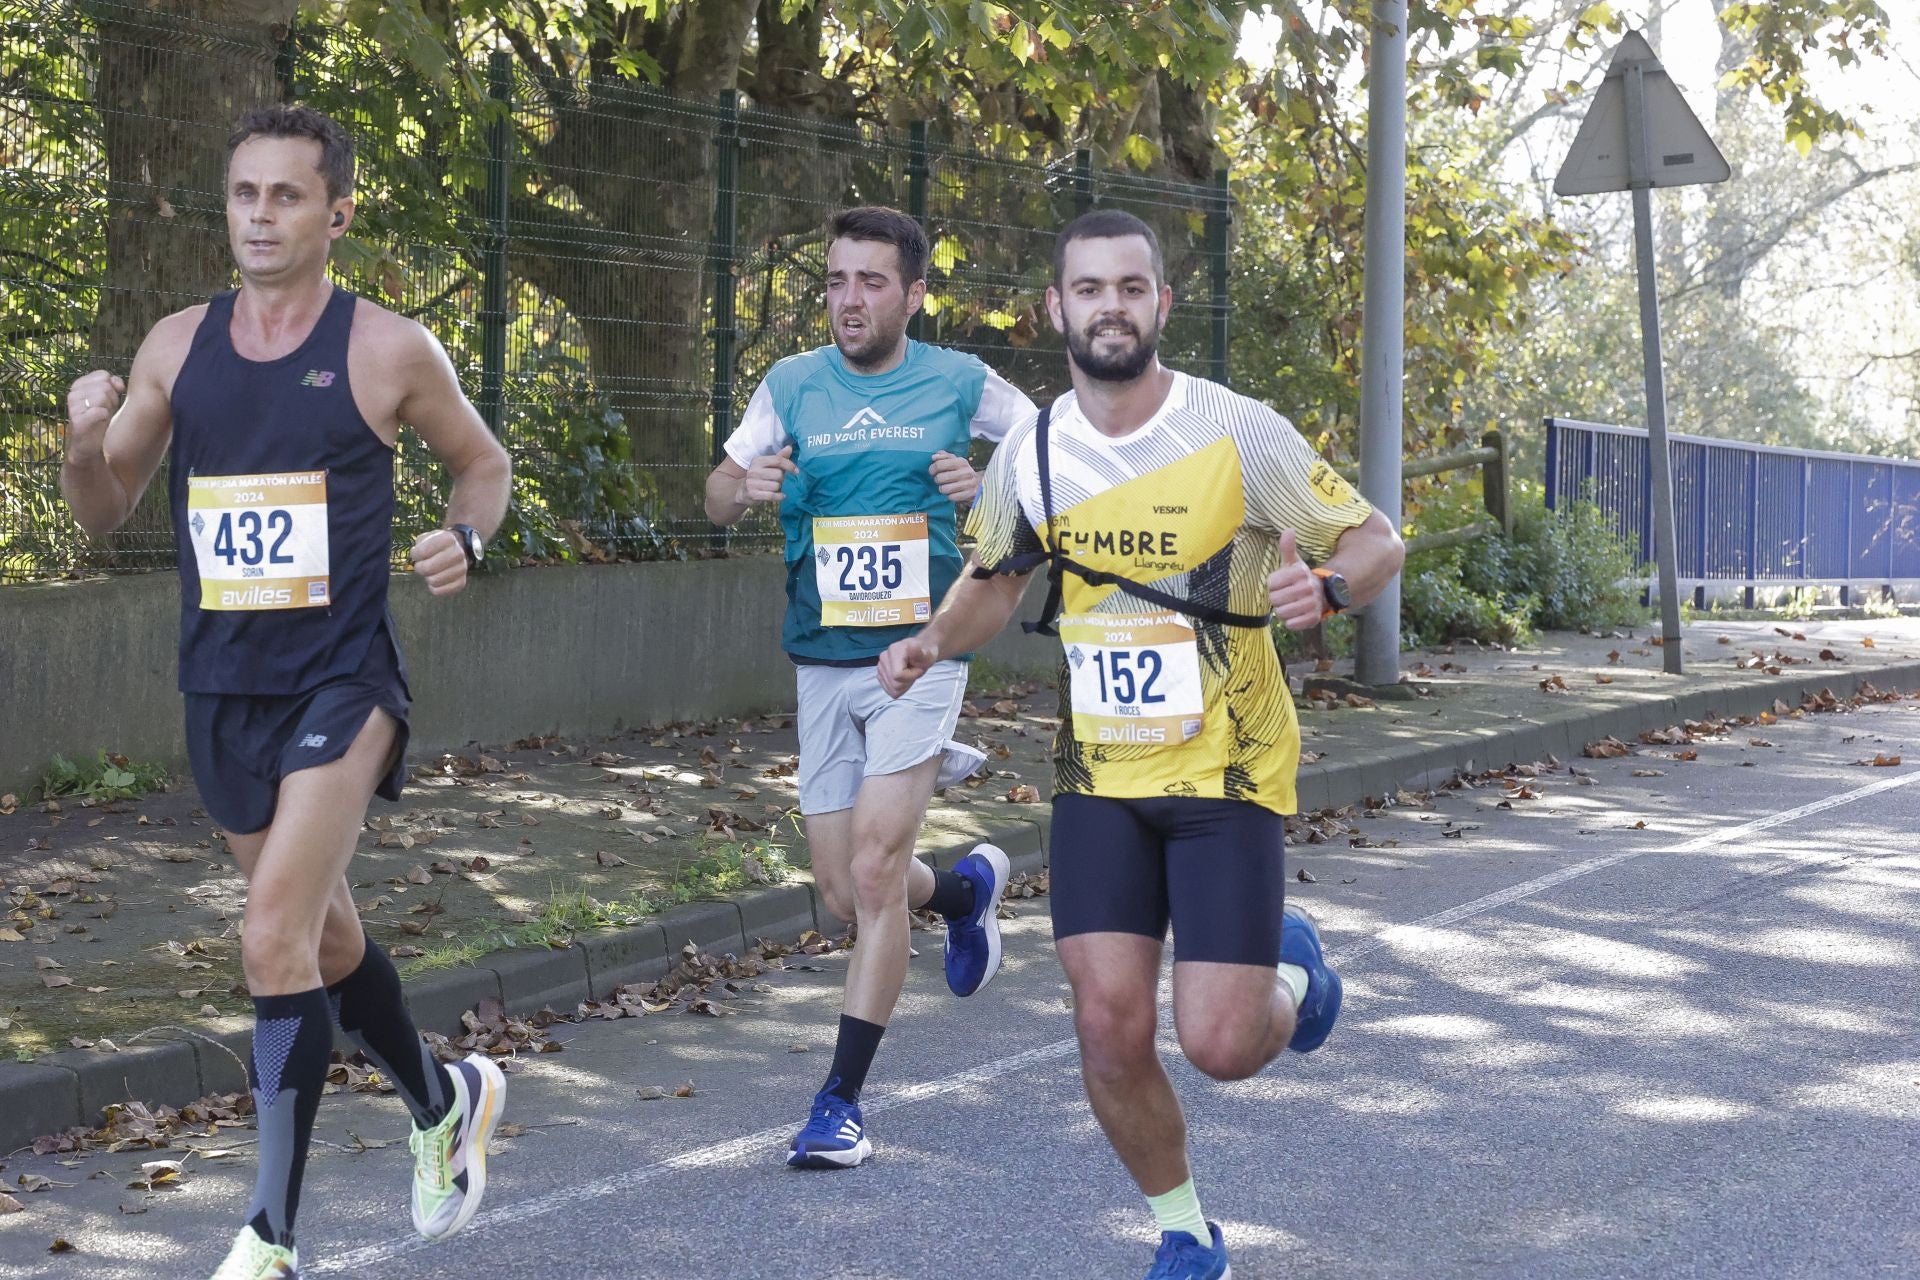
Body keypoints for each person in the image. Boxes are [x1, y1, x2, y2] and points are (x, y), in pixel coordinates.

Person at [877, 209, 1406, 1278]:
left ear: (1161, 304)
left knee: (1219, 1042)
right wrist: (932, 640)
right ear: (1055, 308)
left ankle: (1301, 985)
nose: (1109, 305)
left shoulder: (1235, 430)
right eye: (1088, 288)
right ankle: (1184, 1229)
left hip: (1229, 770)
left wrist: (1334, 584)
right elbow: (994, 582)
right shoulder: (1029, 448)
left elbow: (1375, 534)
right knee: (1107, 1027)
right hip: (1099, 778)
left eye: (1130, 287)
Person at [60, 104, 513, 1280]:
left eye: (287, 196)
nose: (260, 216)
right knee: (322, 936)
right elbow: (104, 510)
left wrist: (468, 538)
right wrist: (80, 441)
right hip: (222, 684)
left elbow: (484, 461)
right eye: (244, 194)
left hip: (343, 677)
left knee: (271, 936)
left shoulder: (388, 349)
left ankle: (271, 1229)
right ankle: (443, 1098)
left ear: (337, 213)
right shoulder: (175, 345)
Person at [704, 206, 1037, 1169]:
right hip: (822, 655)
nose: (851, 299)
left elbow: (1053, 453)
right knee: (843, 892)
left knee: (878, 869)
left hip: (924, 652)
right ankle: (966, 893)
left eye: (872, 282)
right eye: (838, 281)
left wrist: (992, 492)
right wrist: (749, 487)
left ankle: (839, 1103)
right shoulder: (791, 384)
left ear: (915, 293)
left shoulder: (961, 381)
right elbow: (716, 494)